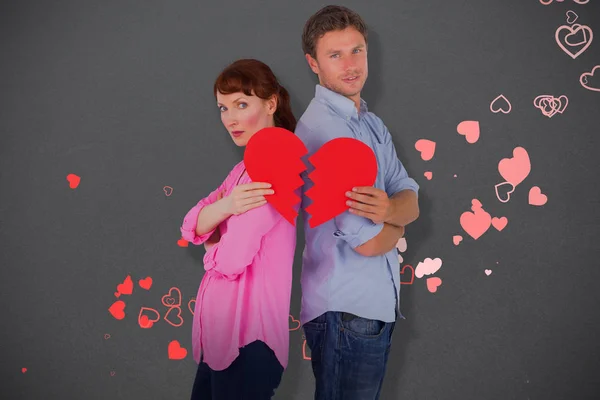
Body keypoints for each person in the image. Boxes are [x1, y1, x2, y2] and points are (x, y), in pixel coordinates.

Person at [296, 5, 421, 400]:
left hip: (371, 309)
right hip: (345, 311)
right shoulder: (326, 133)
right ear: (313, 63)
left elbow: (411, 196)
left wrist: (390, 213)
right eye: (335, 55)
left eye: (357, 51)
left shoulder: (370, 122)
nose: (351, 65)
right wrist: (395, 219)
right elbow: (368, 243)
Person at [180, 58, 297, 400]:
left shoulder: (278, 164)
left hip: (249, 341)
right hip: (220, 338)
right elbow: (191, 224)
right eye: (223, 107)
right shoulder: (242, 170)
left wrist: (211, 246)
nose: (229, 118)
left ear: (271, 103)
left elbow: (230, 261)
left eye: (241, 104)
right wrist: (228, 206)